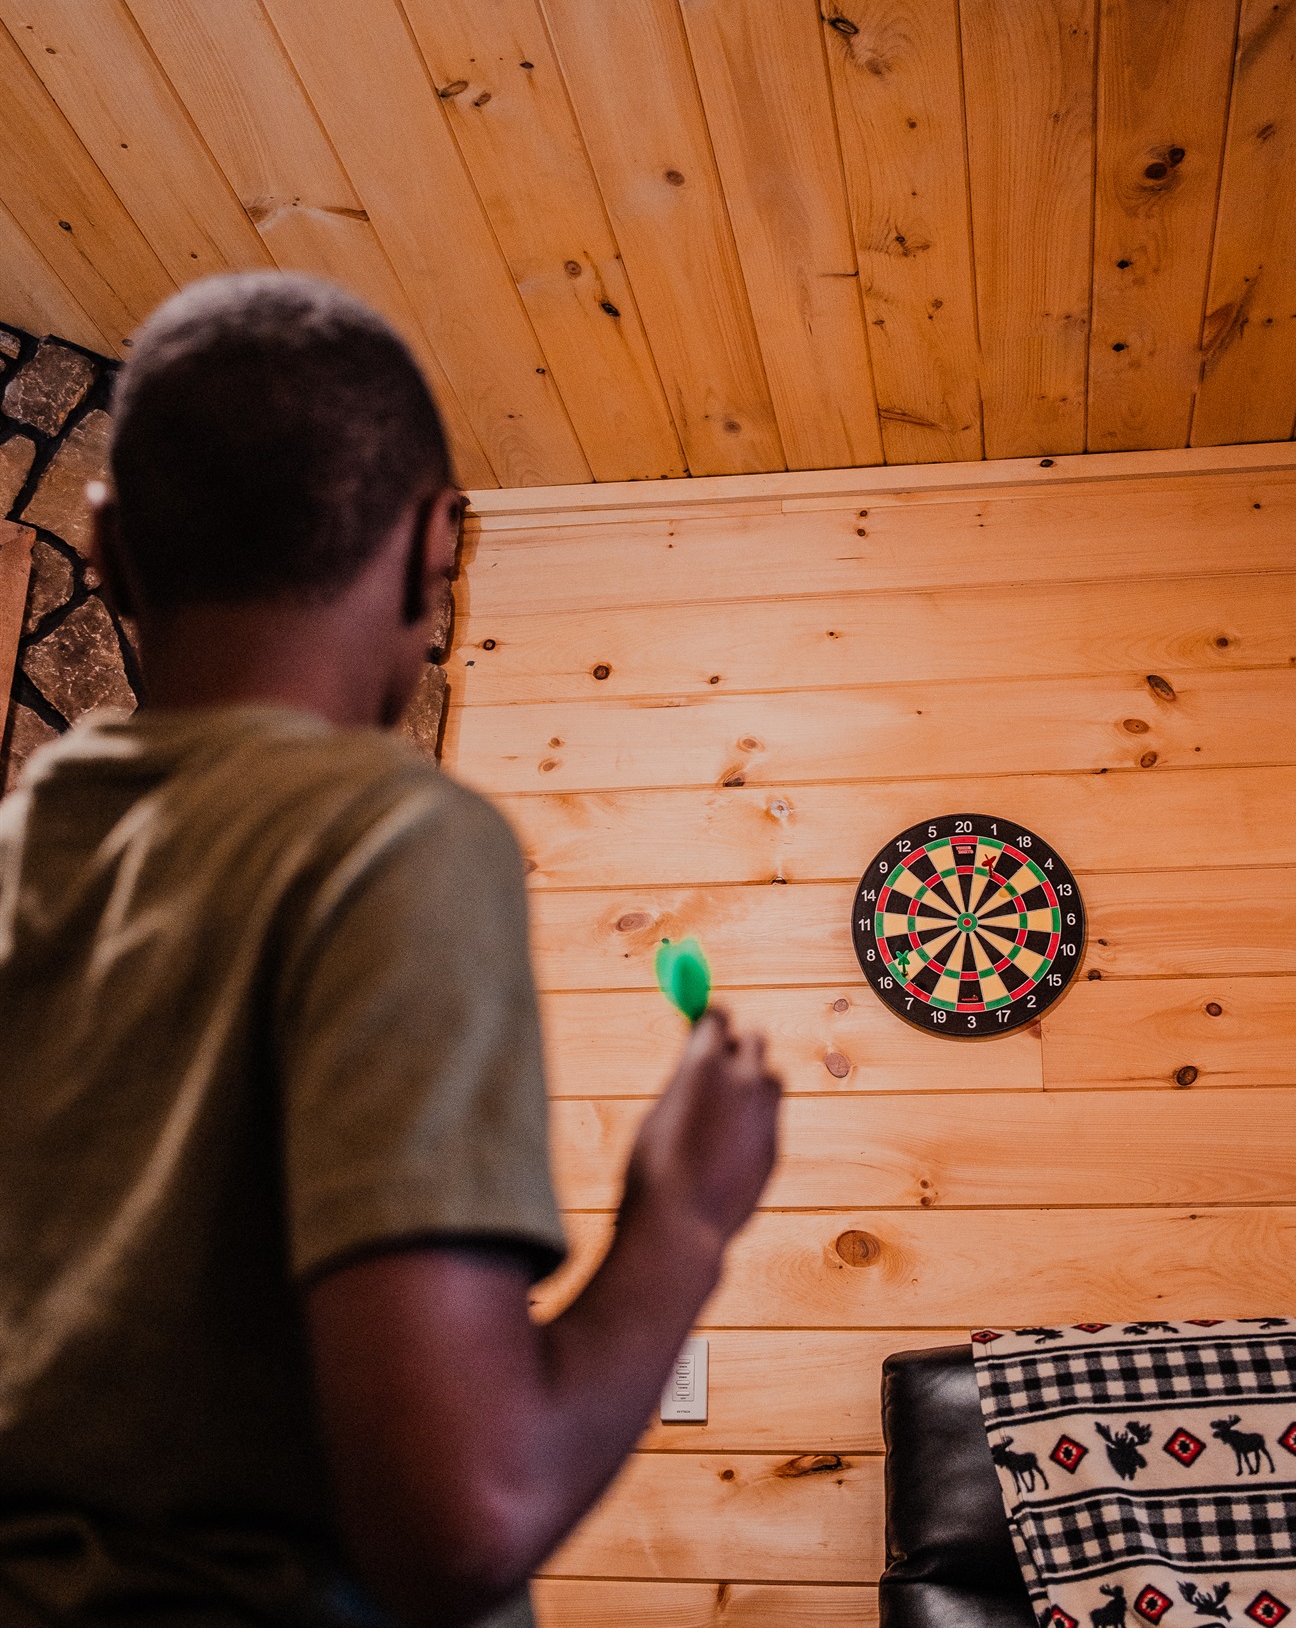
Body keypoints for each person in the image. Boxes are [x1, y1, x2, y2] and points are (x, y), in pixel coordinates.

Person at [0, 274, 780, 1628]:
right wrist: (683, 1222)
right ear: (435, 549)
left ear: (109, 547)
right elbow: (464, 1522)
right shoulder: (394, 838)